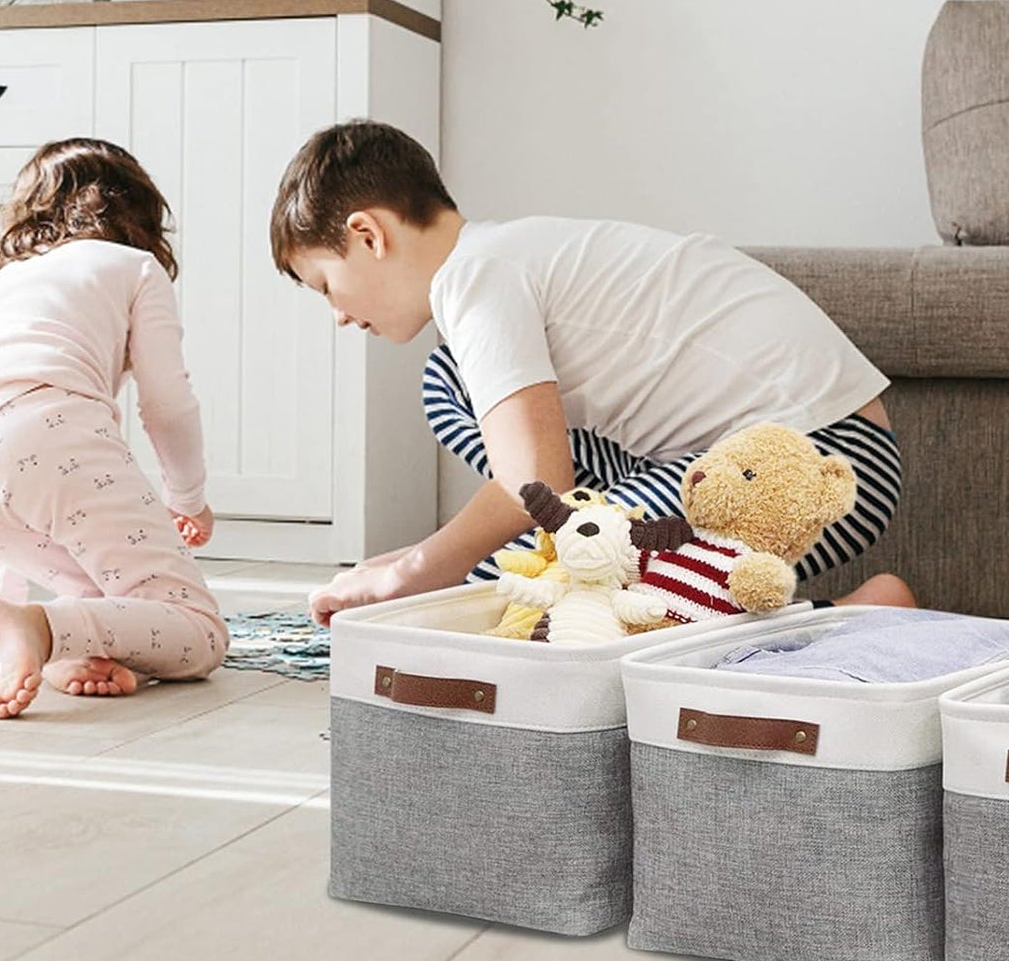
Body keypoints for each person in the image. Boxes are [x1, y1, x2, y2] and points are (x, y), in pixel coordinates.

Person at [269, 120, 914, 625]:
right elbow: (542, 474)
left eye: (325, 285)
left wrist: (411, 570)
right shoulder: (503, 259)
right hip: (777, 453)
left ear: (367, 235)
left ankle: (853, 620)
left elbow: (535, 481)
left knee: (522, 600)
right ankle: (810, 605)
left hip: (811, 460)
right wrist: (410, 566)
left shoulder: (477, 275)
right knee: (450, 384)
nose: (338, 315)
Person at [0, 138, 227, 719]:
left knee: (106, 595)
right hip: (52, 436)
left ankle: (53, 643)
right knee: (199, 633)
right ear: (139, 213)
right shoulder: (133, 267)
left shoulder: (1, 284)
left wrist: (5, 596)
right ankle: (41, 630)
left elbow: (8, 440)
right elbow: (167, 404)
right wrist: (188, 497)